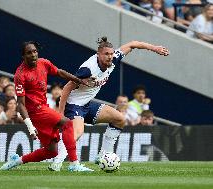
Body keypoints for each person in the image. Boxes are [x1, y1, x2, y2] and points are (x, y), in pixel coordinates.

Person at [48, 36, 169, 171]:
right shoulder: (88, 69)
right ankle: (57, 162)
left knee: (119, 119)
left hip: (86, 104)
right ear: (98, 54)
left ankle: (103, 155)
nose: (110, 57)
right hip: (74, 104)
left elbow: (133, 44)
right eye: (106, 54)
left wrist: (155, 48)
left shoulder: (113, 60)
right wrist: (60, 113)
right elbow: (66, 88)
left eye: (111, 54)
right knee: (77, 132)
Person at [0, 41, 93, 172]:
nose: (33, 55)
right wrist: (30, 127)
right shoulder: (20, 75)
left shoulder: (43, 63)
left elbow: (59, 72)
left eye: (35, 51)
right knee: (66, 123)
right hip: (35, 112)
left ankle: (17, 160)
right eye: (29, 53)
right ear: (23, 56)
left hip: (44, 107)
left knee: (51, 151)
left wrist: (77, 80)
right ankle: (74, 164)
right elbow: (20, 104)